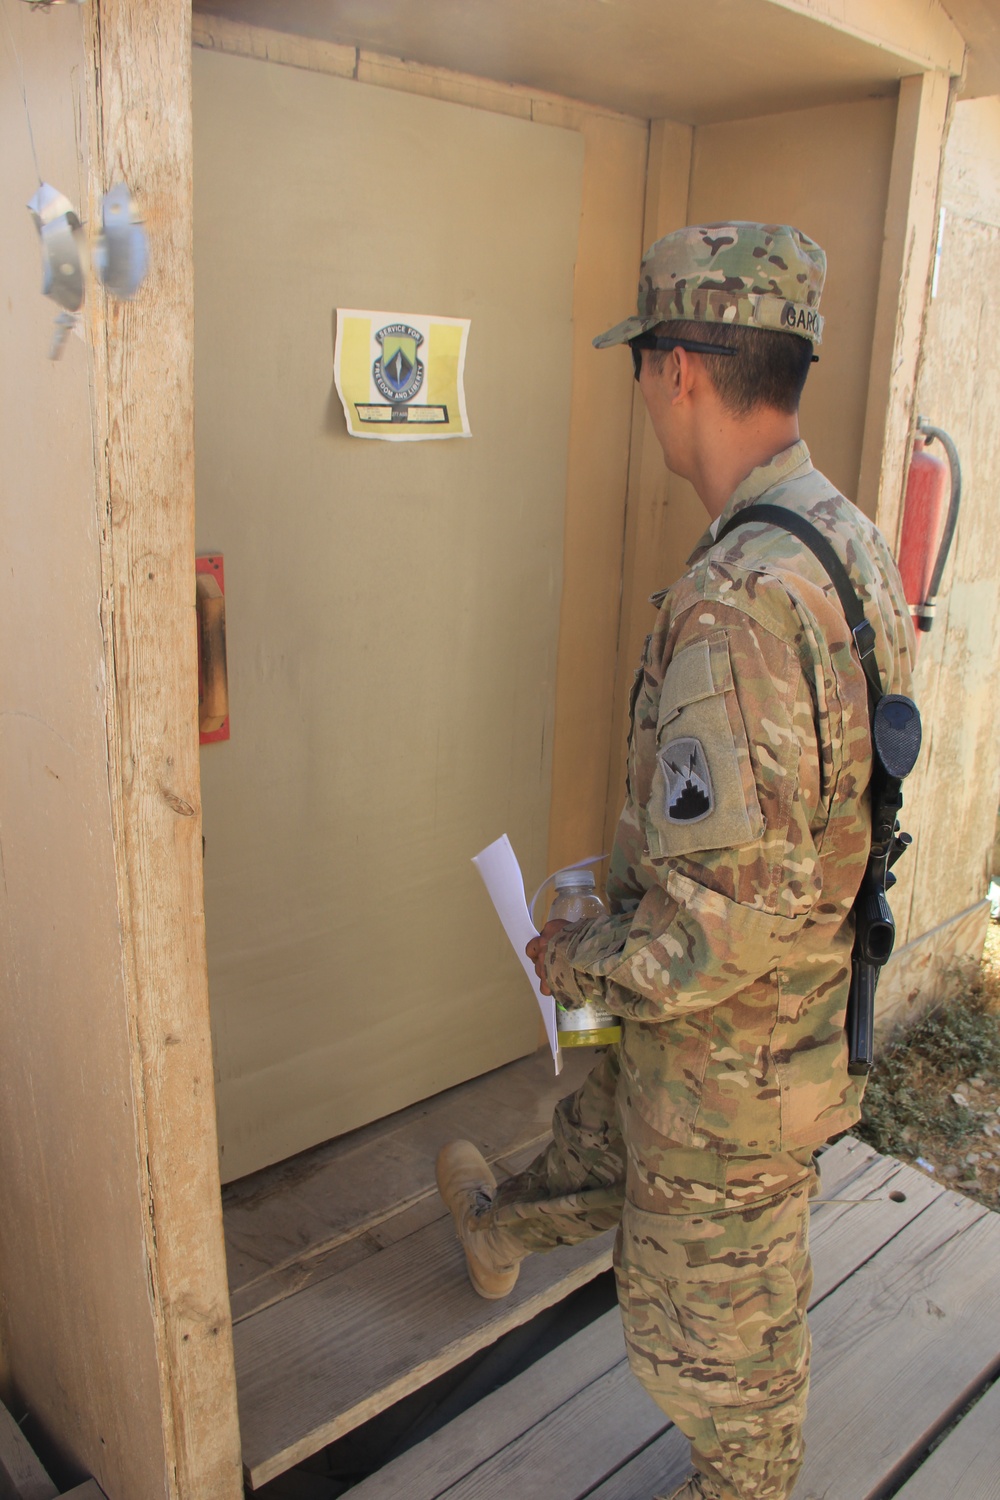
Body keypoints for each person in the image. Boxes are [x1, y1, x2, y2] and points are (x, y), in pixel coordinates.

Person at [437, 222, 915, 1500]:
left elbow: (717, 932)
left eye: (643, 361)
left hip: (729, 1066)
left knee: (718, 1354)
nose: (644, 388)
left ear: (681, 371)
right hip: (789, 1023)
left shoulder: (734, 602)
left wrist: (574, 954)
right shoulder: (842, 539)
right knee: (602, 1141)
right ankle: (498, 1227)